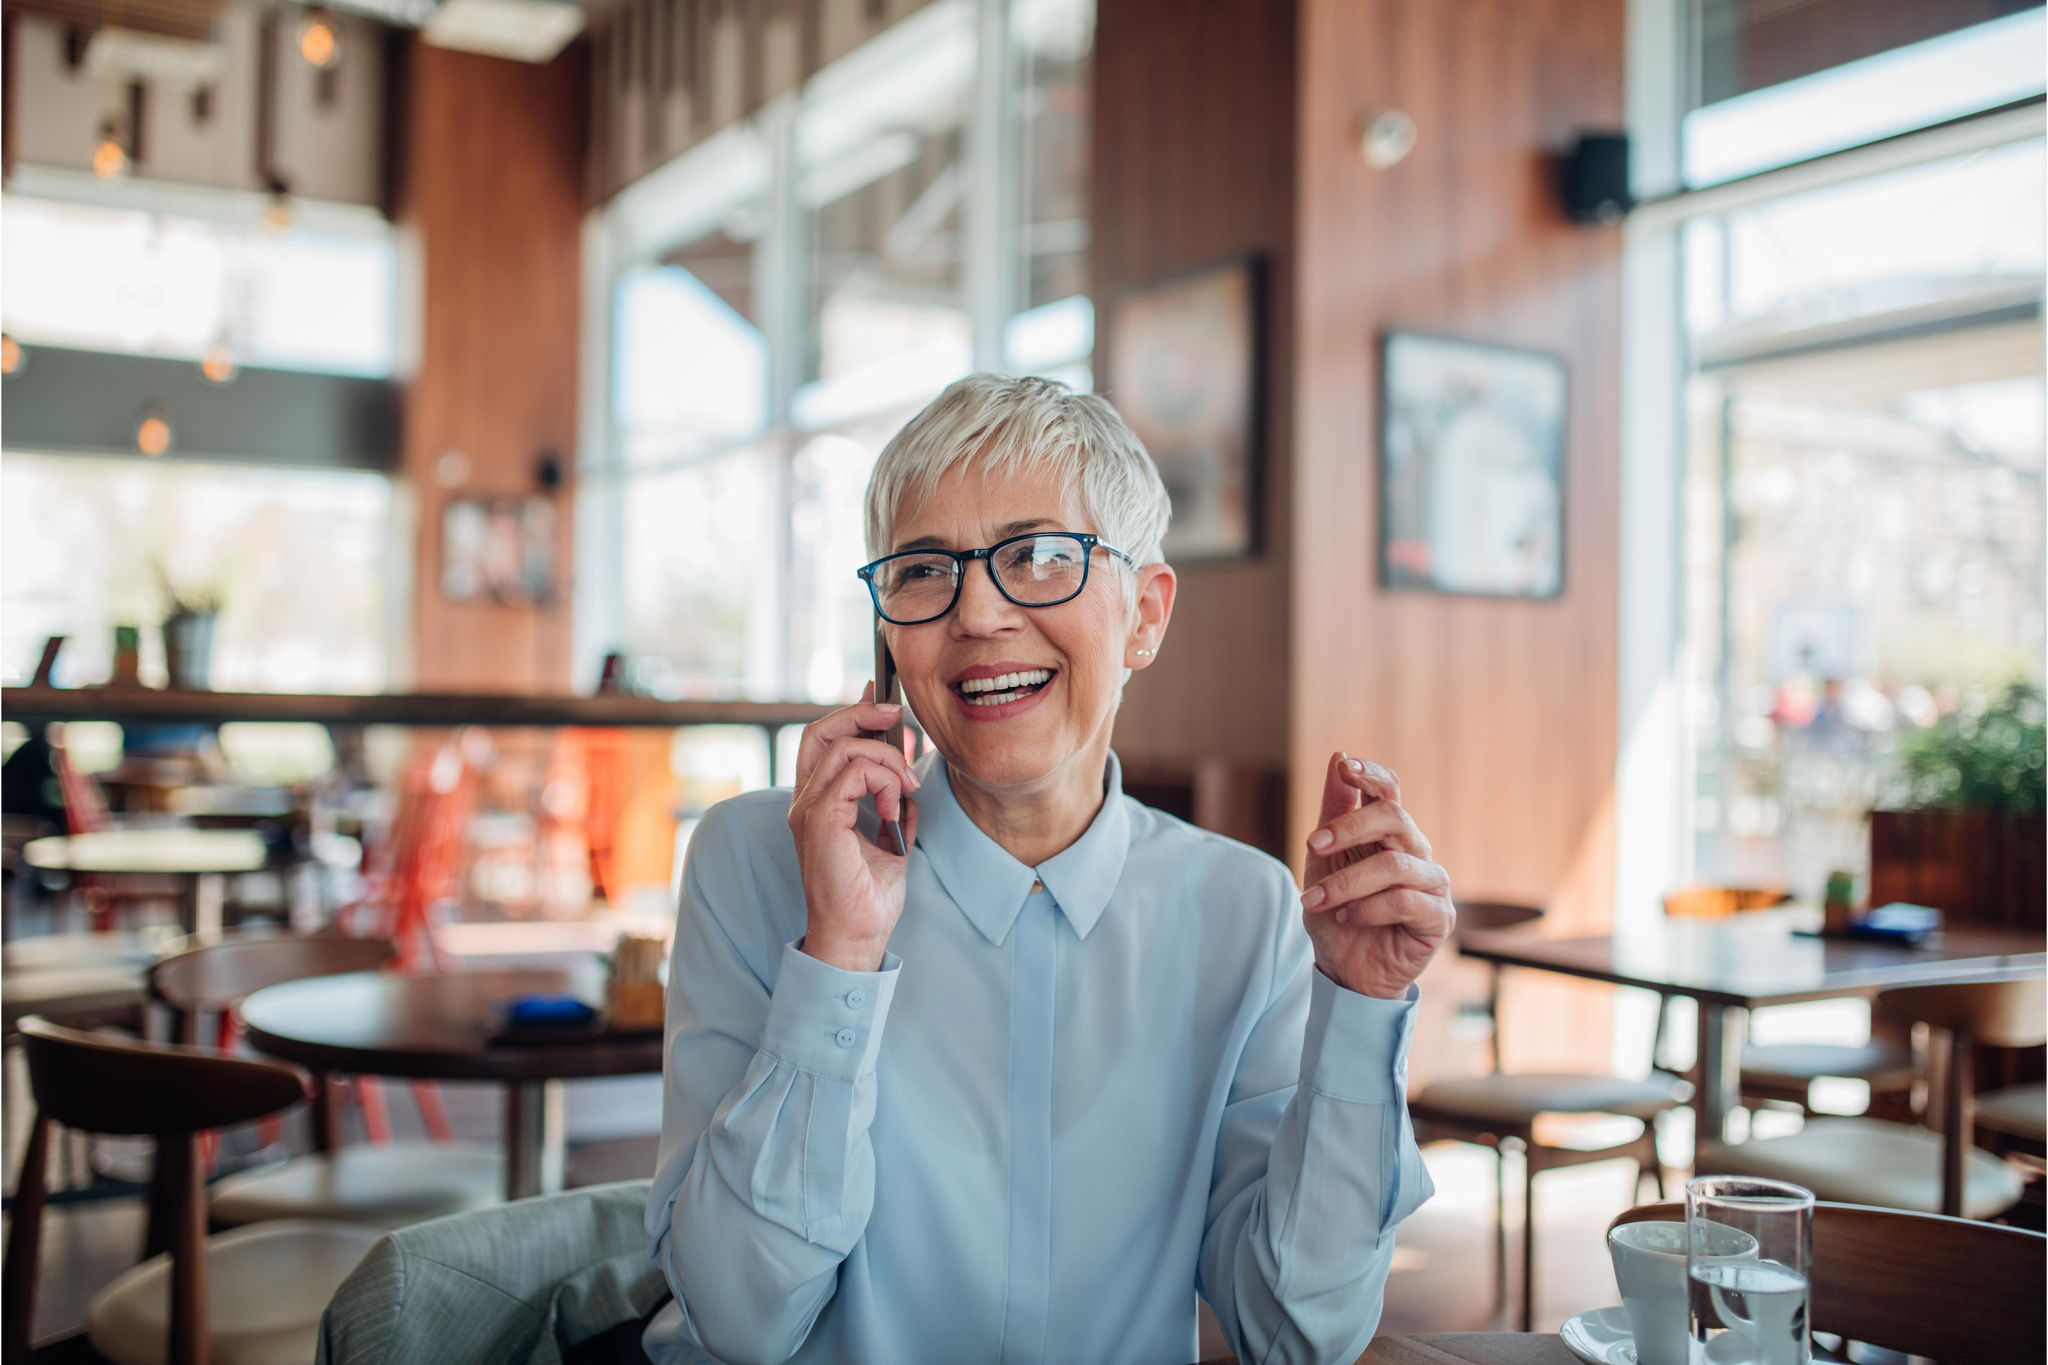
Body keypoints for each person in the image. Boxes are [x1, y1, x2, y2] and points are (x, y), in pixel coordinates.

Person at [642, 374, 1455, 1365]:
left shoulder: (1245, 913)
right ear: (888, 630)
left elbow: (1296, 1331)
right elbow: (737, 1318)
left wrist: (1358, 1011)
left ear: (1143, 616)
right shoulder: (754, 863)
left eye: (1036, 557)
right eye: (922, 570)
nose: (977, 614)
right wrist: (839, 957)